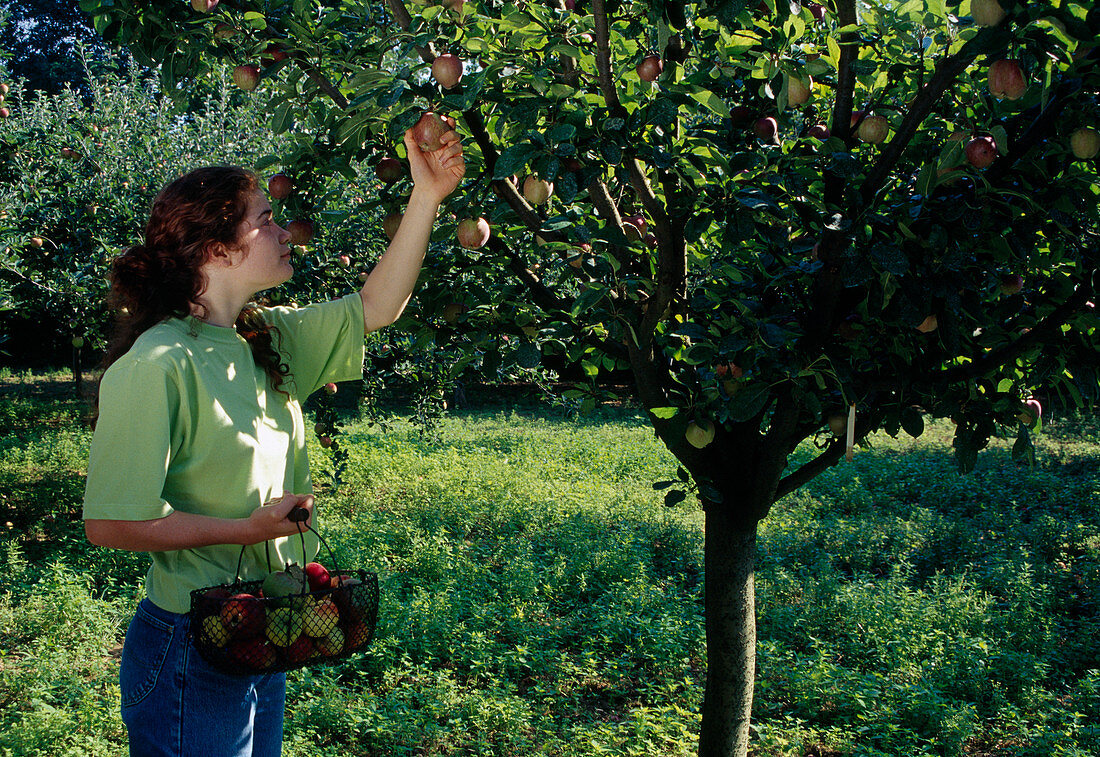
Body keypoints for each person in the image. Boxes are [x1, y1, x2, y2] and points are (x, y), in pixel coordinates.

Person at [82, 123, 464, 757]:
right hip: (191, 640)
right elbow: (110, 523)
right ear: (216, 247)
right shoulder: (159, 364)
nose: (285, 231)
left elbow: (376, 306)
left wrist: (426, 196)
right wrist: (247, 530)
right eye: (265, 220)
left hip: (259, 623)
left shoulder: (266, 341)